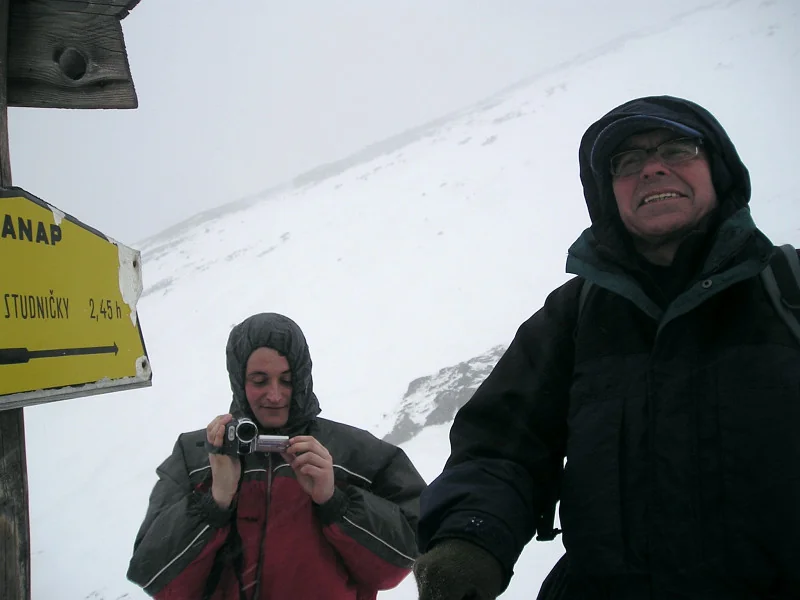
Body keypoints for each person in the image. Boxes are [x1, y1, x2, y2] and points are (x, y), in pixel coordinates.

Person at [412, 96, 800, 600]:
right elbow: (502, 445)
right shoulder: (573, 316)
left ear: (718, 169)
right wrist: (469, 539)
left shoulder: (788, 289)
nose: (652, 168)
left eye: (677, 149)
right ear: (607, 193)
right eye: (628, 161)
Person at [126, 312, 426, 599]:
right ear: (239, 380)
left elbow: (405, 557)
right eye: (259, 380)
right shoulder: (194, 455)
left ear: (303, 377)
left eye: (287, 380)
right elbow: (154, 577)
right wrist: (215, 501)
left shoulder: (356, 453)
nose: (274, 395)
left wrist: (335, 501)